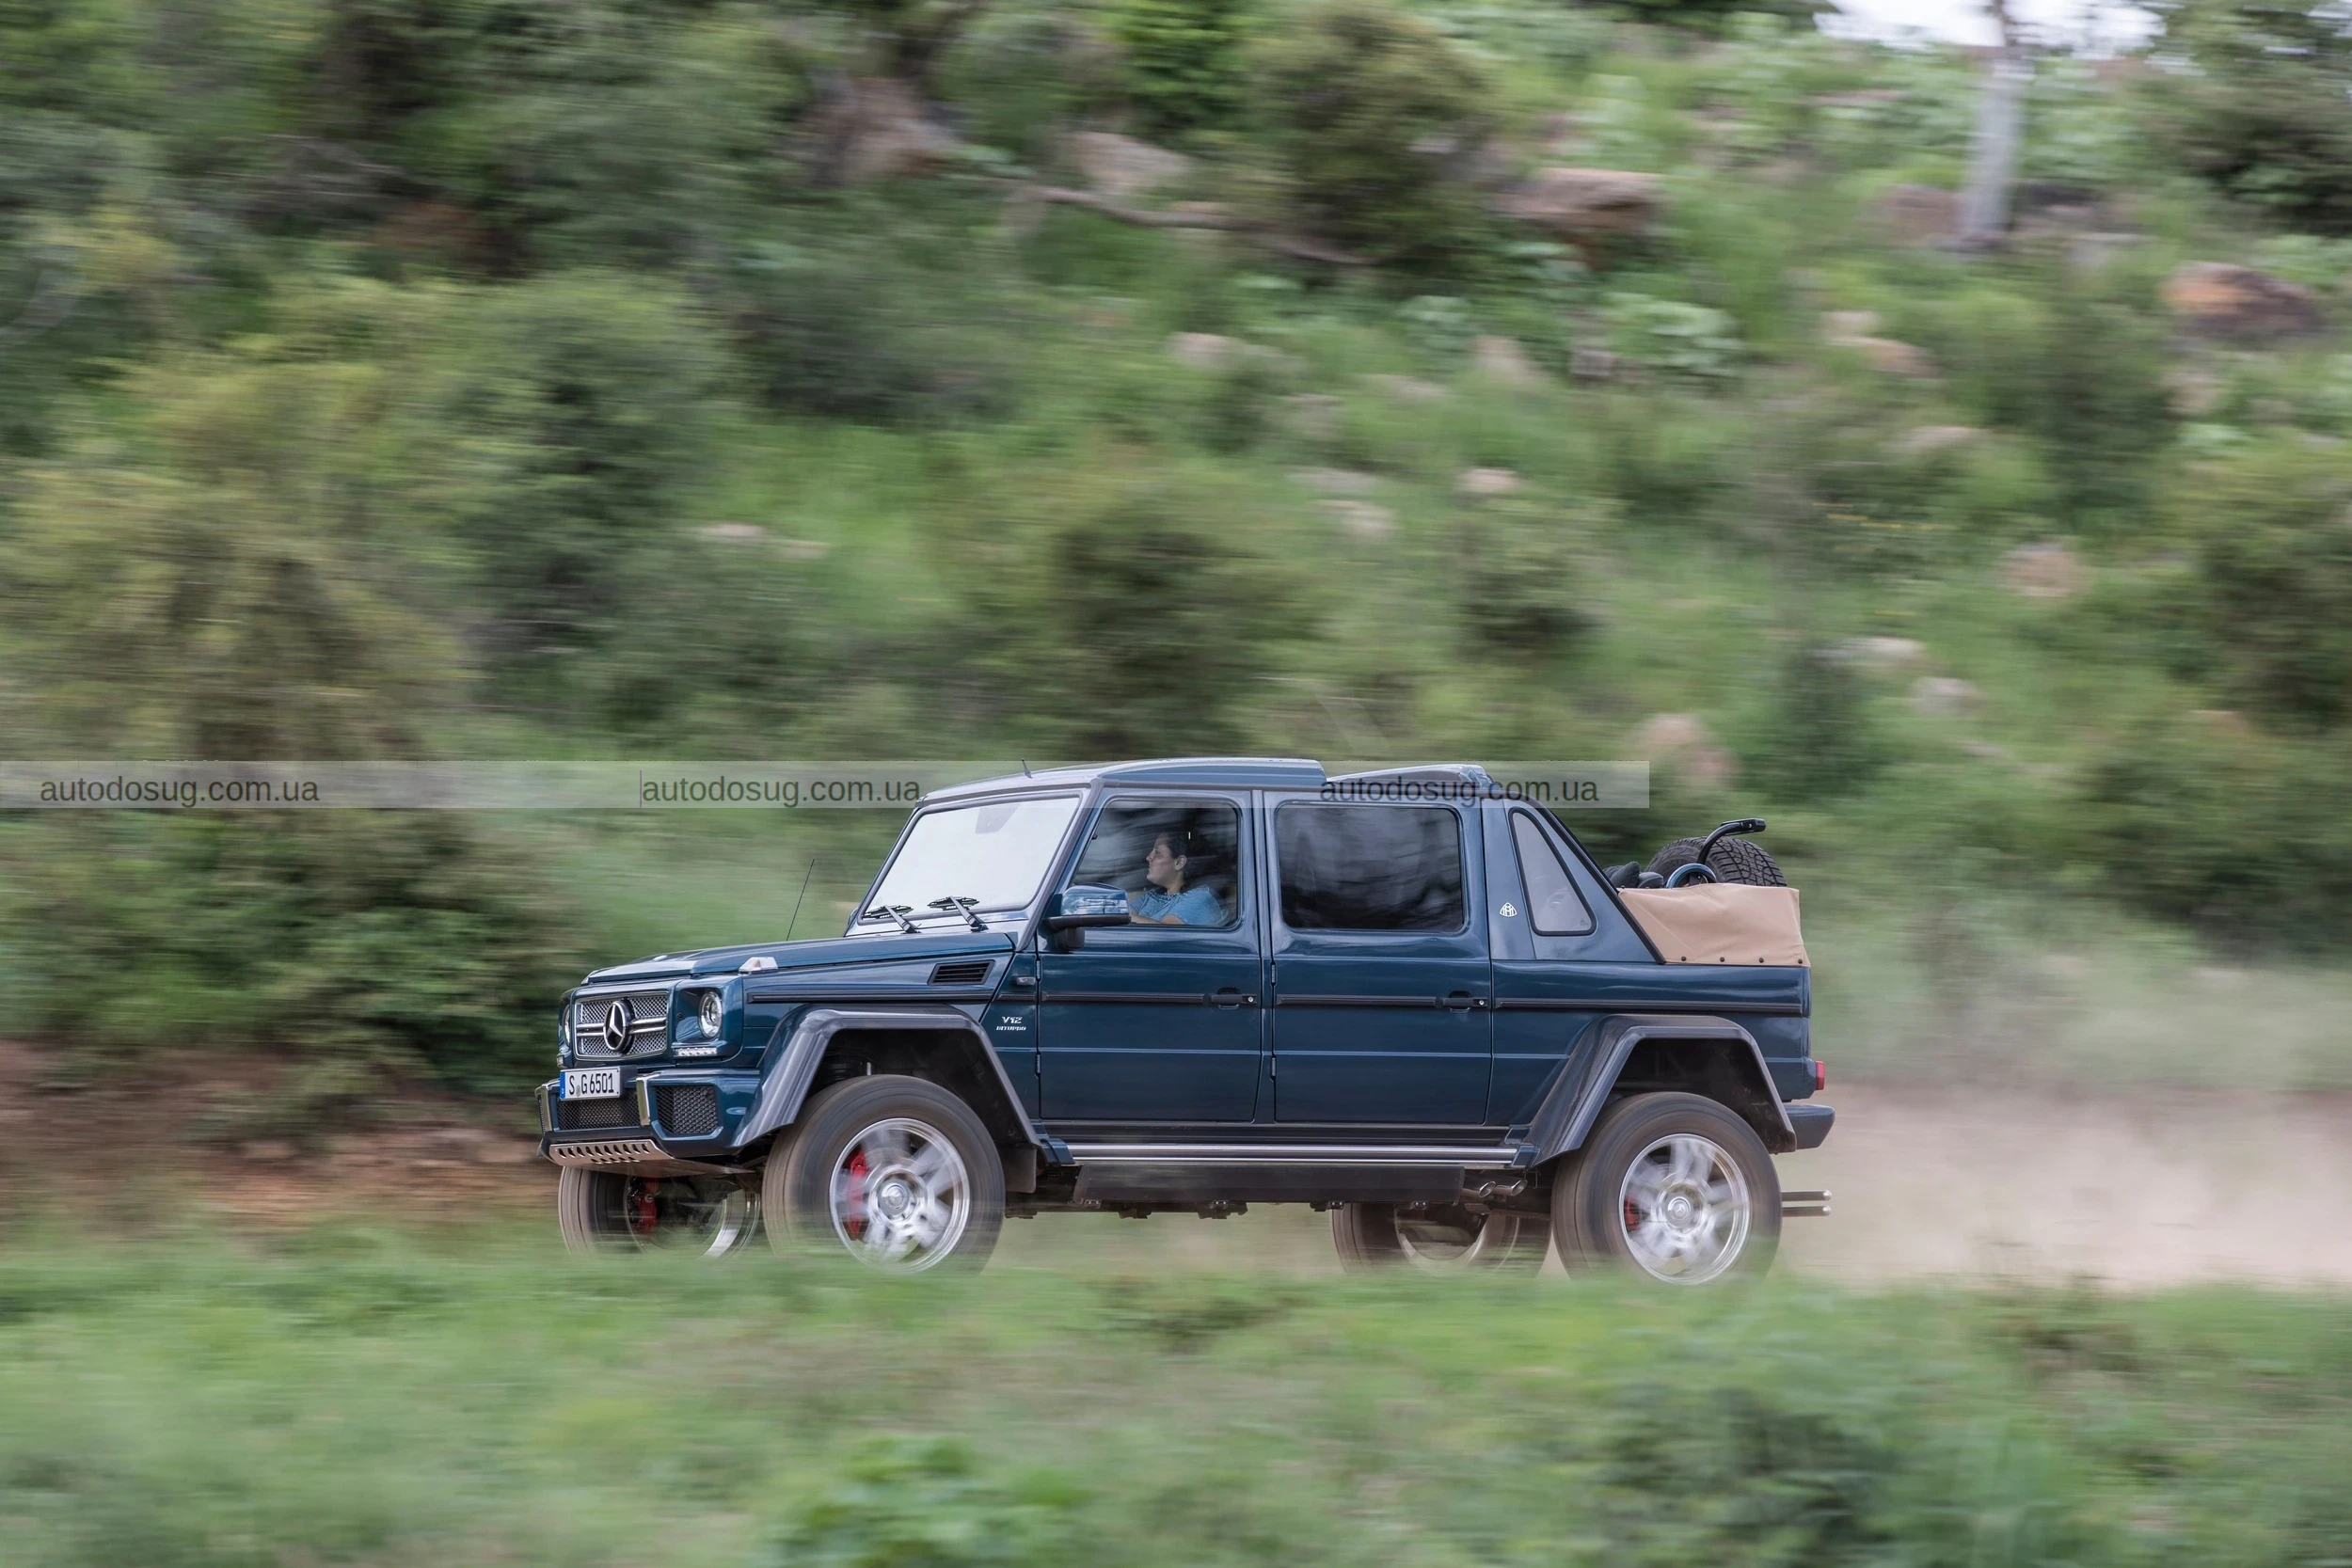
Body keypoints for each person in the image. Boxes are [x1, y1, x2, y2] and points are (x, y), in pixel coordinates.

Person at [1131, 830, 1225, 926]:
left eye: (1157, 852)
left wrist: (1125, 917)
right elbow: (1122, 913)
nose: (1148, 857)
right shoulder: (1154, 895)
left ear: (1179, 863)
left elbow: (1166, 933)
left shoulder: (1200, 898)